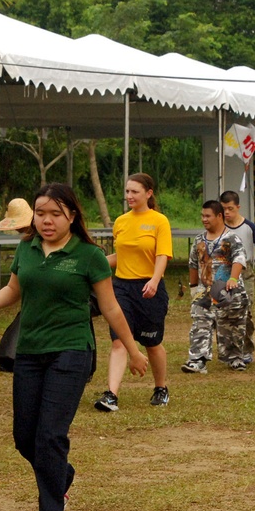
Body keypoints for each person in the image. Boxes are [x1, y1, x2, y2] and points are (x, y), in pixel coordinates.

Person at [0, 183, 148, 511]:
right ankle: (60, 475)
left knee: (50, 434)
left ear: (72, 216)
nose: (46, 221)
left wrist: (133, 348)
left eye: (55, 214)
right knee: (24, 436)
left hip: (72, 351)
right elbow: (14, 290)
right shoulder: (27, 249)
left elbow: (110, 307)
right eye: (41, 213)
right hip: (29, 353)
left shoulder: (89, 256)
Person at [94, 173, 173, 412]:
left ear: (148, 193)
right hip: (121, 287)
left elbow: (162, 255)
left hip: (150, 288)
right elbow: (121, 257)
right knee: (118, 341)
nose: (129, 196)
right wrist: (92, 264)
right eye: (127, 191)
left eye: (134, 192)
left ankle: (161, 388)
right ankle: (111, 395)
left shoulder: (159, 221)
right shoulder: (120, 222)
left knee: (152, 342)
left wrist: (154, 280)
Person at [181, 200, 249, 373]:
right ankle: (197, 360)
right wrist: (193, 287)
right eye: (202, 216)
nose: (204, 219)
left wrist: (233, 279)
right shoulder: (198, 240)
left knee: (232, 325)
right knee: (200, 322)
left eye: (208, 216)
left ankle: (234, 357)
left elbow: (239, 259)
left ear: (219, 216)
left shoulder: (231, 238)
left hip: (228, 291)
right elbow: (193, 264)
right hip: (205, 291)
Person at [220, 190, 255, 365]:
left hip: (245, 273)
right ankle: (229, 350)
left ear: (238, 207)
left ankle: (246, 349)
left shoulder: (249, 227)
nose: (227, 213)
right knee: (225, 313)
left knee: (245, 312)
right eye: (224, 209)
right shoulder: (219, 226)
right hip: (223, 271)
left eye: (230, 209)